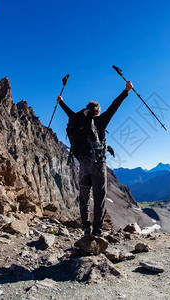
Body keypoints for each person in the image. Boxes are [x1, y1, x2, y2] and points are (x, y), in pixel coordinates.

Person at [57, 81, 133, 236]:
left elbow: (69, 113)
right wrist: (126, 91)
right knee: (99, 198)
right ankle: (97, 230)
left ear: (87, 110)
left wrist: (60, 102)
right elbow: (114, 106)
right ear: (98, 112)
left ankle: (86, 227)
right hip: (98, 166)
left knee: (84, 198)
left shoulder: (78, 119)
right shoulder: (101, 120)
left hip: (83, 166)